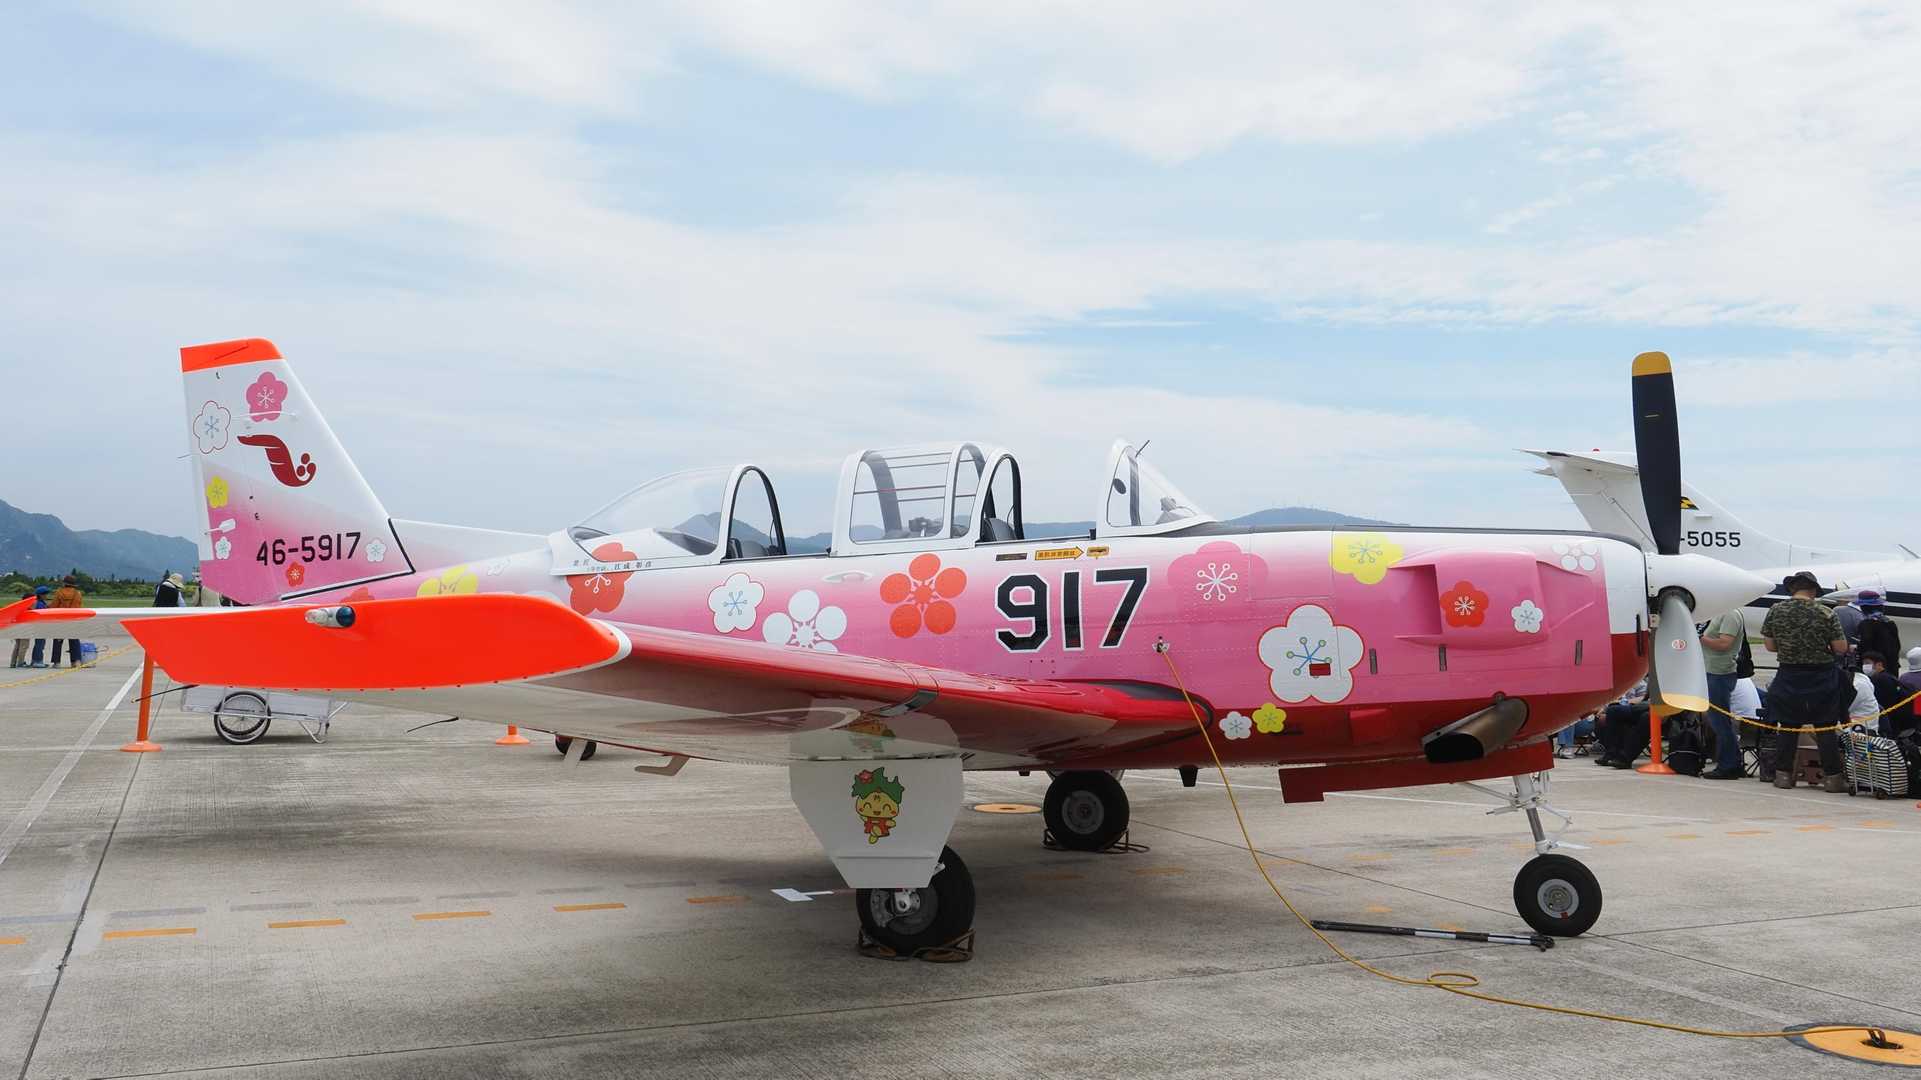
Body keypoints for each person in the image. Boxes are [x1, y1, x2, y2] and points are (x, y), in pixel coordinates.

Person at [1759, 571, 1850, 791]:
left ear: (1792, 589)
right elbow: (1840, 648)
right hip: (1821, 677)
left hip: (1789, 675)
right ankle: (1833, 779)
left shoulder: (1776, 610)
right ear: (1813, 590)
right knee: (1825, 727)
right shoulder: (1825, 612)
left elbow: (1769, 646)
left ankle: (1783, 776)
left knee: (1788, 727)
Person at [1699, 606, 1747, 779]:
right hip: (1711, 671)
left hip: (1719, 673)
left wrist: (1699, 638)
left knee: (1720, 721)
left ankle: (1729, 764)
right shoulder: (1716, 613)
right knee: (1718, 721)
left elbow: (1724, 644)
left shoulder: (1730, 614)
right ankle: (1732, 762)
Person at [1593, 679, 1650, 768]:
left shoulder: (1639, 681)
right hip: (1642, 706)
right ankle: (1611, 753)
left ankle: (1625, 758)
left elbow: (1642, 696)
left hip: (1654, 708)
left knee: (1646, 717)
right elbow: (1646, 696)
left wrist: (1627, 702)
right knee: (1613, 710)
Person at [1855, 591, 1901, 671]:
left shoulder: (1866, 624)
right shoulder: (1890, 622)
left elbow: (1865, 647)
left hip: (1874, 667)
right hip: (1891, 666)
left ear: (1864, 607)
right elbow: (1897, 646)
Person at [47, 576, 84, 668]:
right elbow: (79, 606)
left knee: (58, 641)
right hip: (73, 619)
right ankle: (76, 661)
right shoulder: (77, 593)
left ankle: (57, 662)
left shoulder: (59, 592)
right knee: (74, 640)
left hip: (61, 619)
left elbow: (54, 606)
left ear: (64, 583)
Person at [25, 585, 52, 667]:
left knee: (39, 644)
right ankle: (38, 661)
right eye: (45, 594)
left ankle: (35, 660)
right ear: (40, 595)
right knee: (40, 644)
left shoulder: (40, 603)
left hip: (39, 626)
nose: (46, 595)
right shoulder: (39, 604)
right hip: (40, 627)